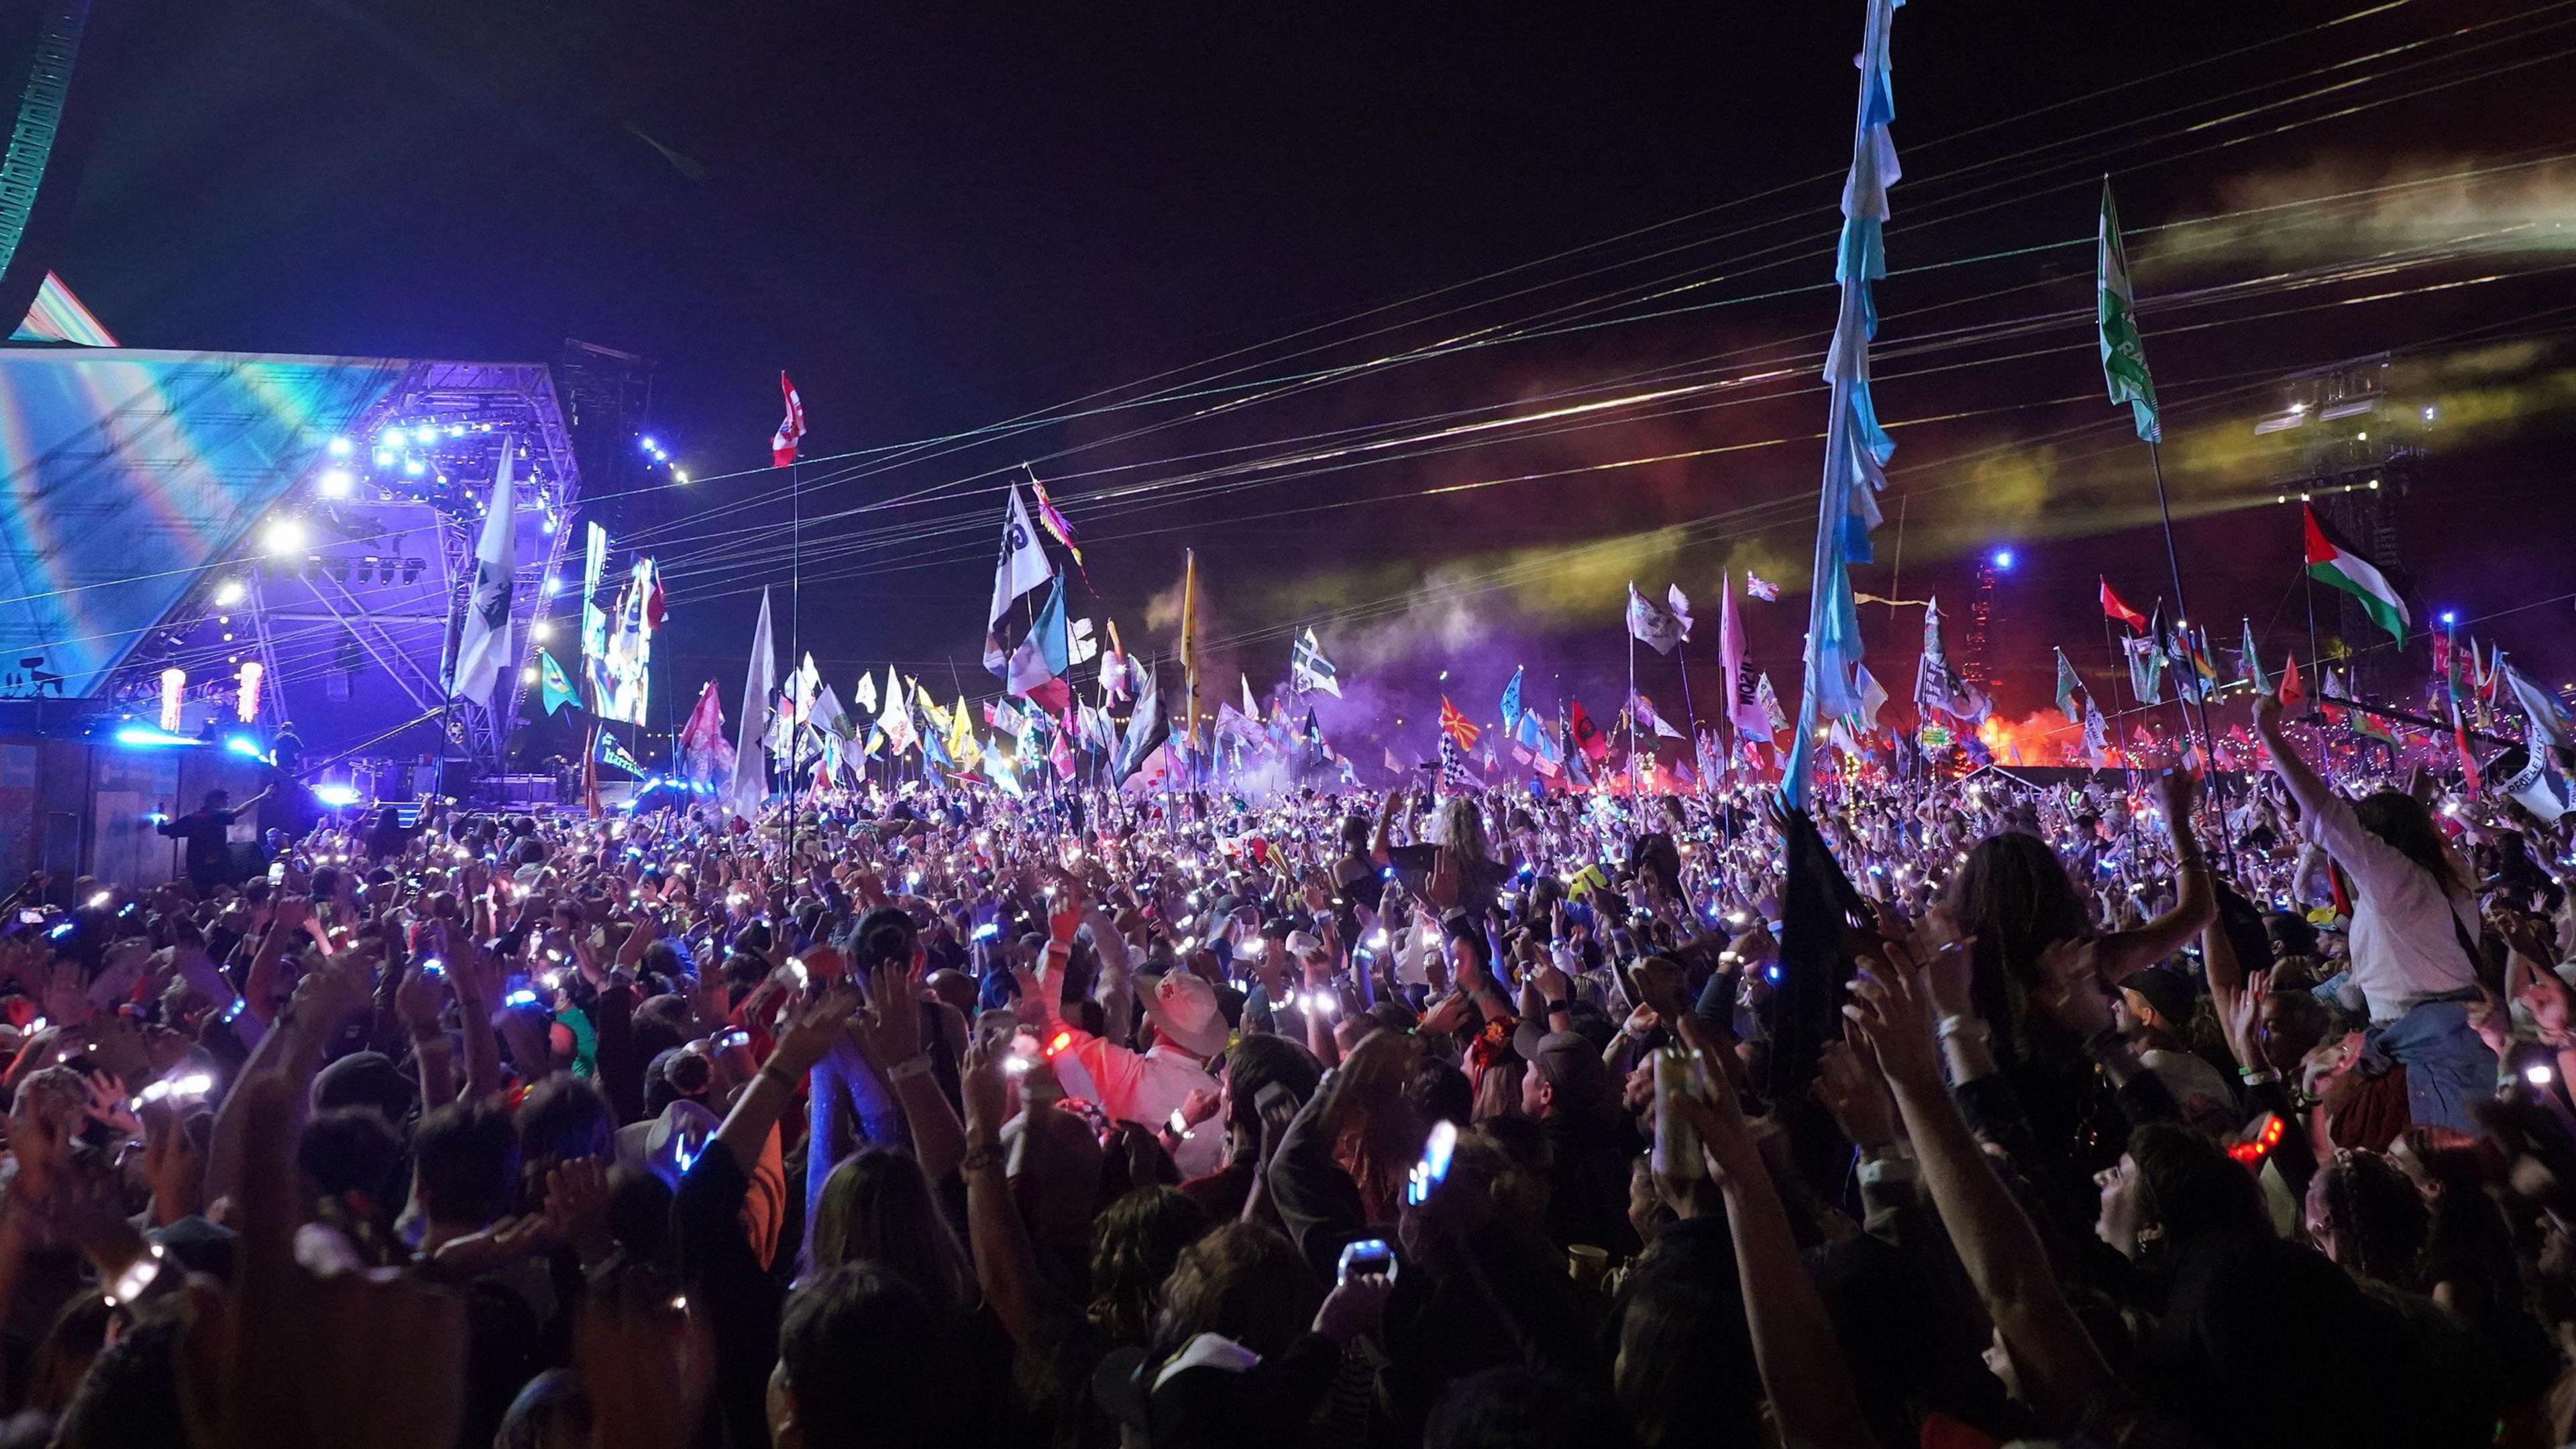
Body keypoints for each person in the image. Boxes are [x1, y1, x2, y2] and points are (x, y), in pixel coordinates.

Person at [2255, 694, 2498, 1132]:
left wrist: (2270, 736)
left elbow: (2330, 821)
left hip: (2422, 1063)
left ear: (2381, 840)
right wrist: (2414, 802)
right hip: (2451, 1044)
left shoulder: (2399, 885)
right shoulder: (2442, 885)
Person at [158, 785, 270, 892]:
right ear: (215, 801)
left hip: (196, 871)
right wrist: (264, 795)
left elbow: (163, 830)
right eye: (225, 800)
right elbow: (239, 812)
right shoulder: (215, 814)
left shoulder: (192, 818)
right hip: (215, 869)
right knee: (252, 849)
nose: (227, 803)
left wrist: (160, 815)